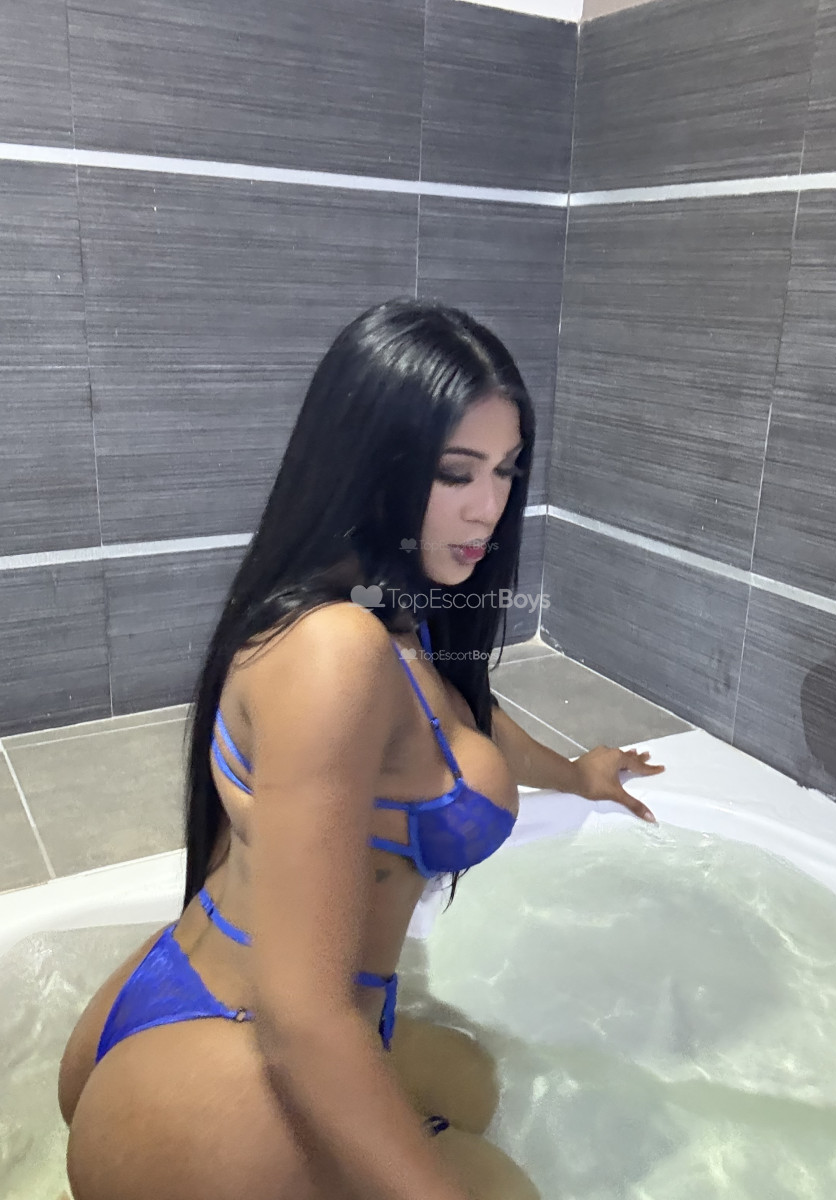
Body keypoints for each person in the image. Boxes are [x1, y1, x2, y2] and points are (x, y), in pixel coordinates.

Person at [56, 298, 662, 1199]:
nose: (491, 506)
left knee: (478, 1083)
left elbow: (462, 723)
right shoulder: (334, 651)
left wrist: (577, 774)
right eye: (455, 473)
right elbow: (302, 1020)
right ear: (372, 464)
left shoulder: (374, 602)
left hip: (185, 992)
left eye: (505, 470)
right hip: (225, 1082)